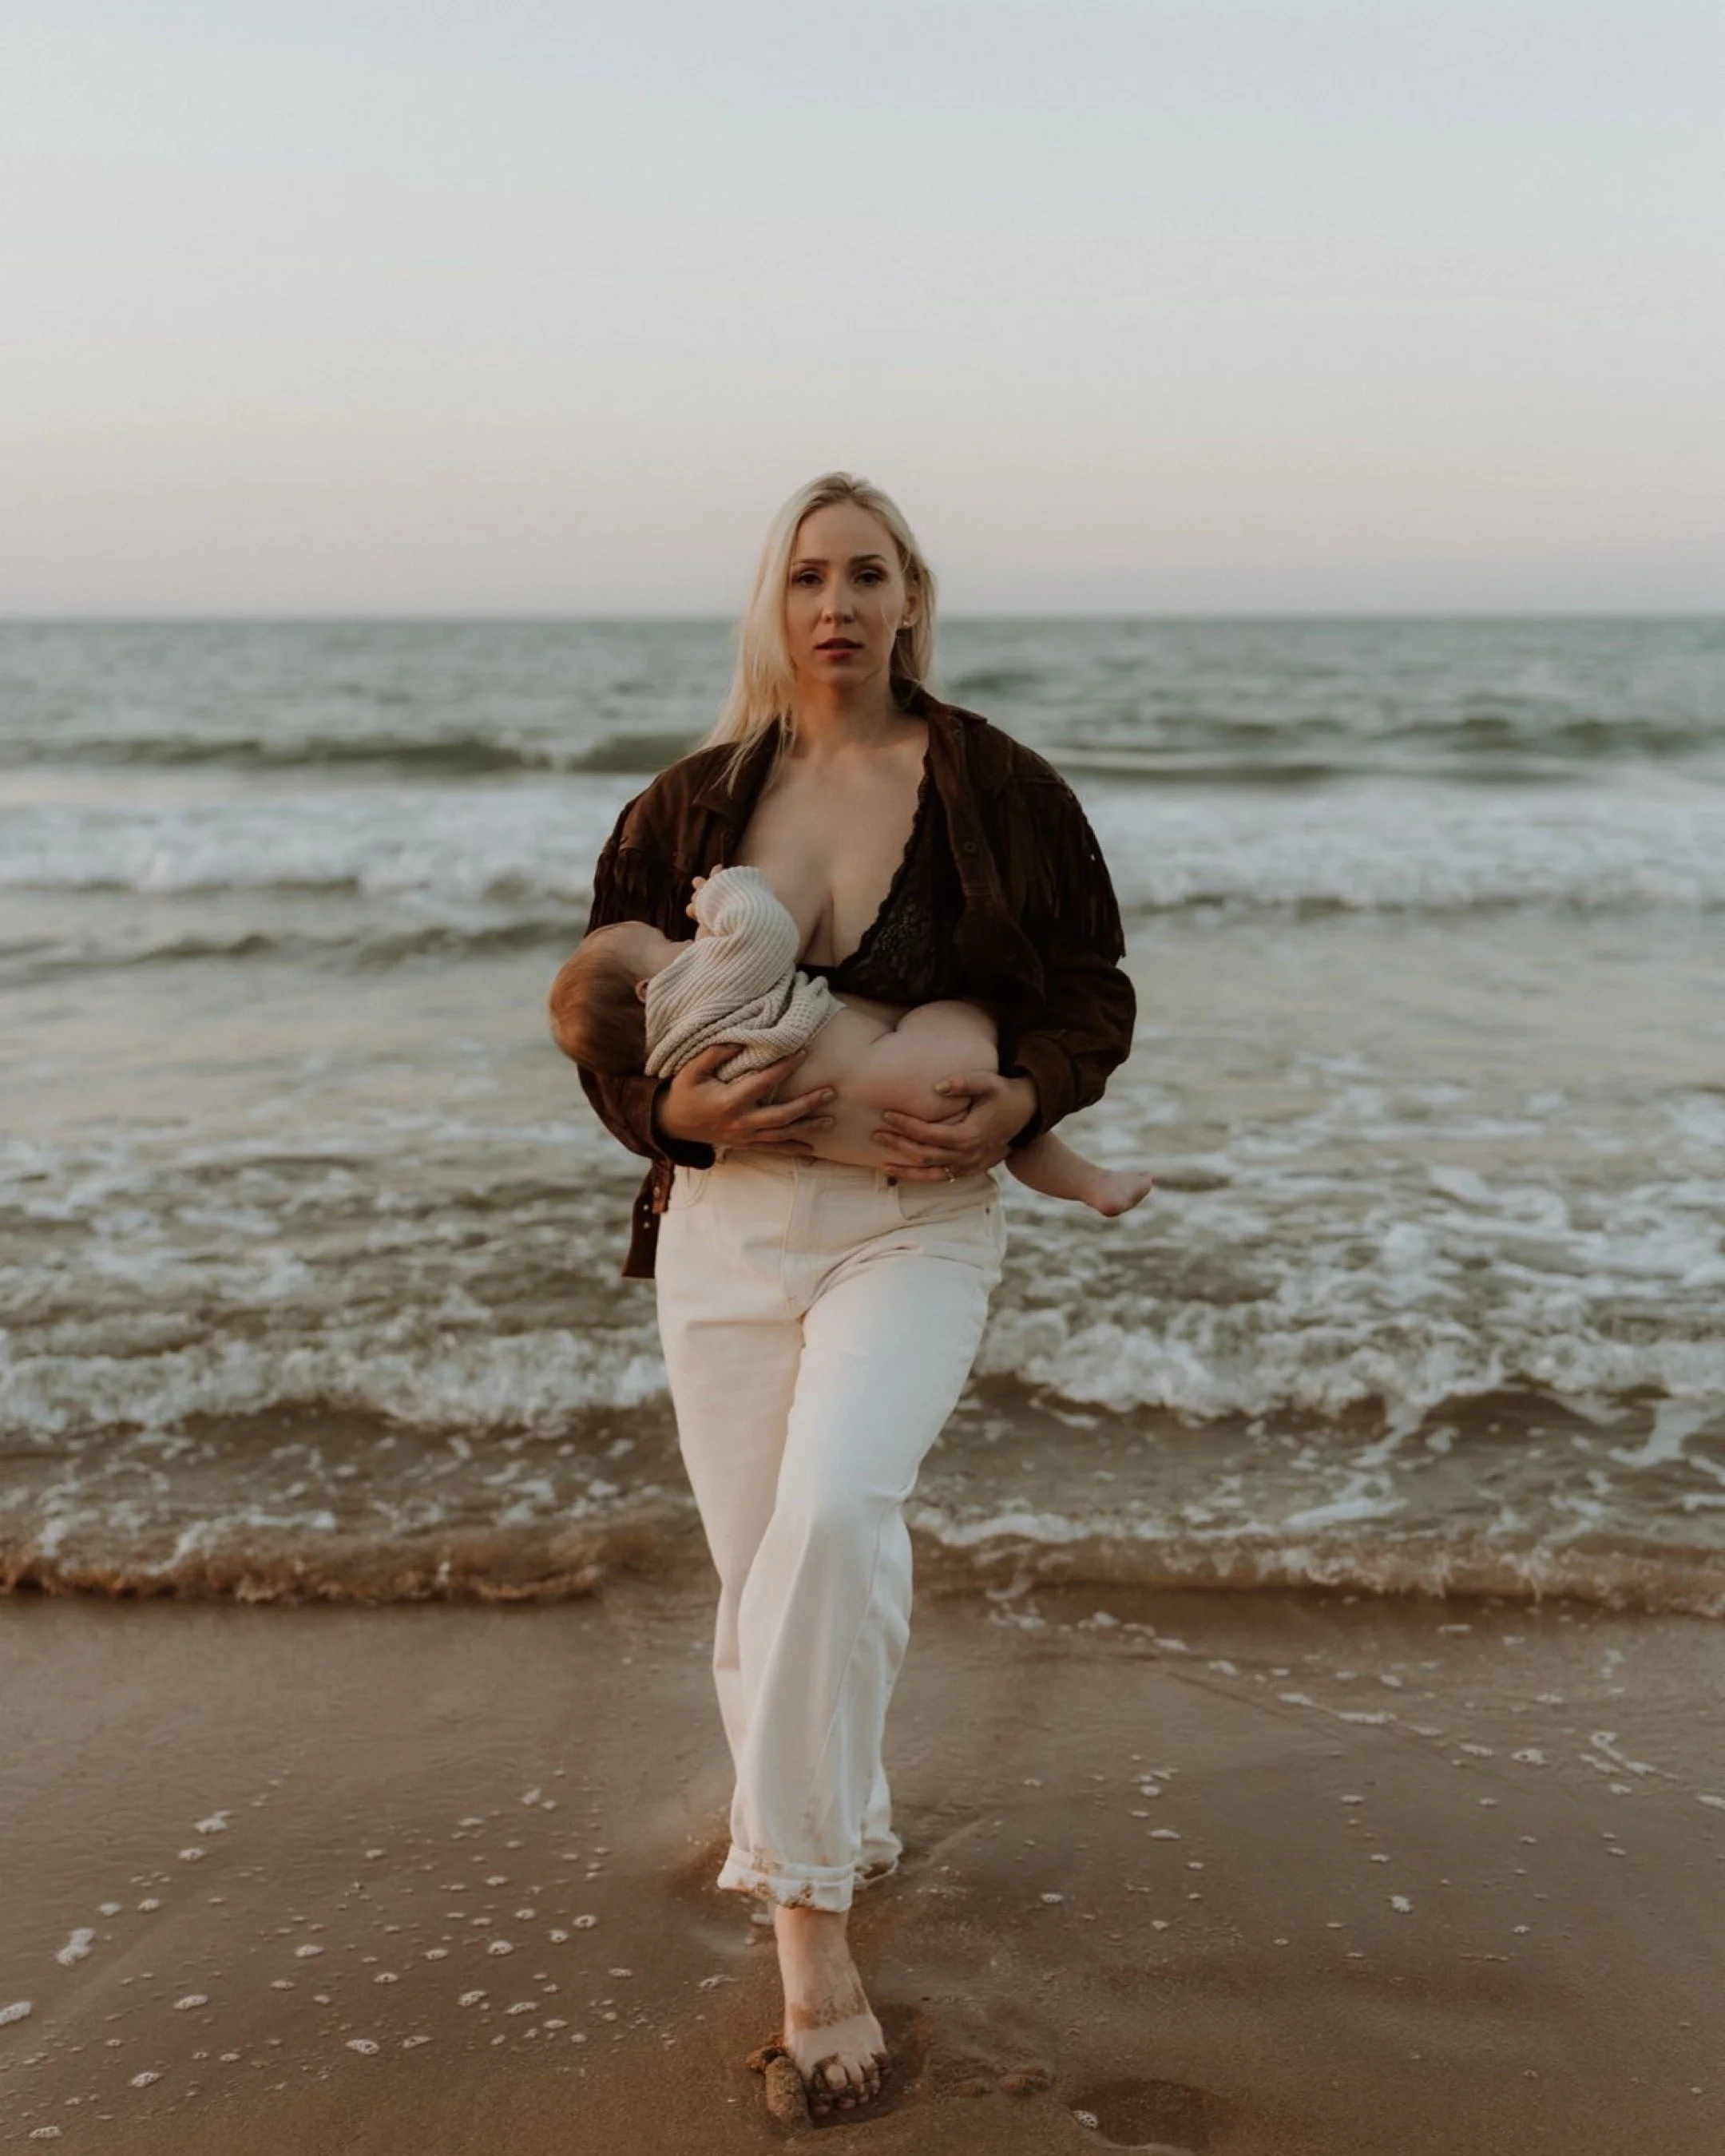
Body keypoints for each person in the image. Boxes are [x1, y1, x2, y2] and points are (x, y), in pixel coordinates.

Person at [565, 470, 1136, 2120]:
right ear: (775, 598)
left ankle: (808, 1937)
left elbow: (1093, 989)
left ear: (910, 598)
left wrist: (1026, 1103)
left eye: (866, 573)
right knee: (774, 1574)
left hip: (917, 1220)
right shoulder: (683, 810)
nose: (836, 602)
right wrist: (679, 1114)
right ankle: (832, 1806)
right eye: (807, 574)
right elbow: (604, 1032)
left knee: (830, 1518)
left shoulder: (1000, 789)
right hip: (727, 1232)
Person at [549, 862, 1154, 1216]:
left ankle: (1082, 1178)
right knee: (968, 1011)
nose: (688, 942)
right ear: (647, 992)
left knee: (988, 1129)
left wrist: (670, 1114)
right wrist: (721, 893)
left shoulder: (667, 1055)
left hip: (862, 1145)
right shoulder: (700, 988)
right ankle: (1088, 1183)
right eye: (670, 944)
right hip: (913, 1069)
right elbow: (763, 931)